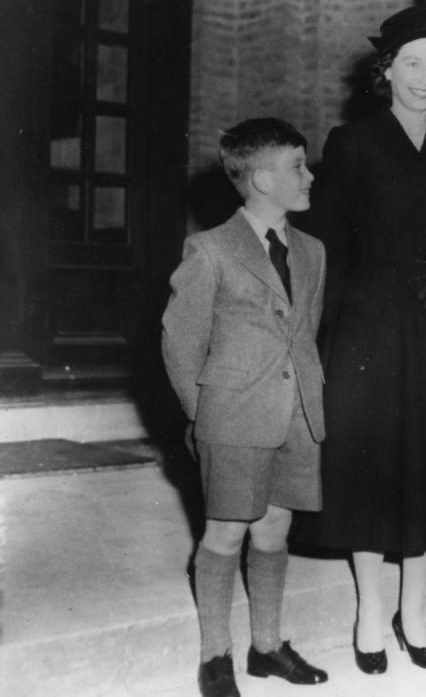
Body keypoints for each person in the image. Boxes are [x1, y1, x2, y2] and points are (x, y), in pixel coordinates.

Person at [289, 6, 426, 674]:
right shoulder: (353, 143)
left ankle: (411, 613)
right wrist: (323, 338)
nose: (425, 77)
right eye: (411, 64)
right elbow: (327, 243)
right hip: (374, 327)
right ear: (384, 71)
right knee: (370, 471)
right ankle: (369, 612)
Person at [162, 118, 328, 697]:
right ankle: (215, 657)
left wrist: (311, 401)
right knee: (226, 534)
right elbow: (180, 344)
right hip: (232, 418)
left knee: (275, 531)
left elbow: (304, 333)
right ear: (261, 179)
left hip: (298, 415)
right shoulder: (209, 250)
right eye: (298, 167)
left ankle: (267, 646)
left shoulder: (312, 251)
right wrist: (205, 416)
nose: (309, 176)